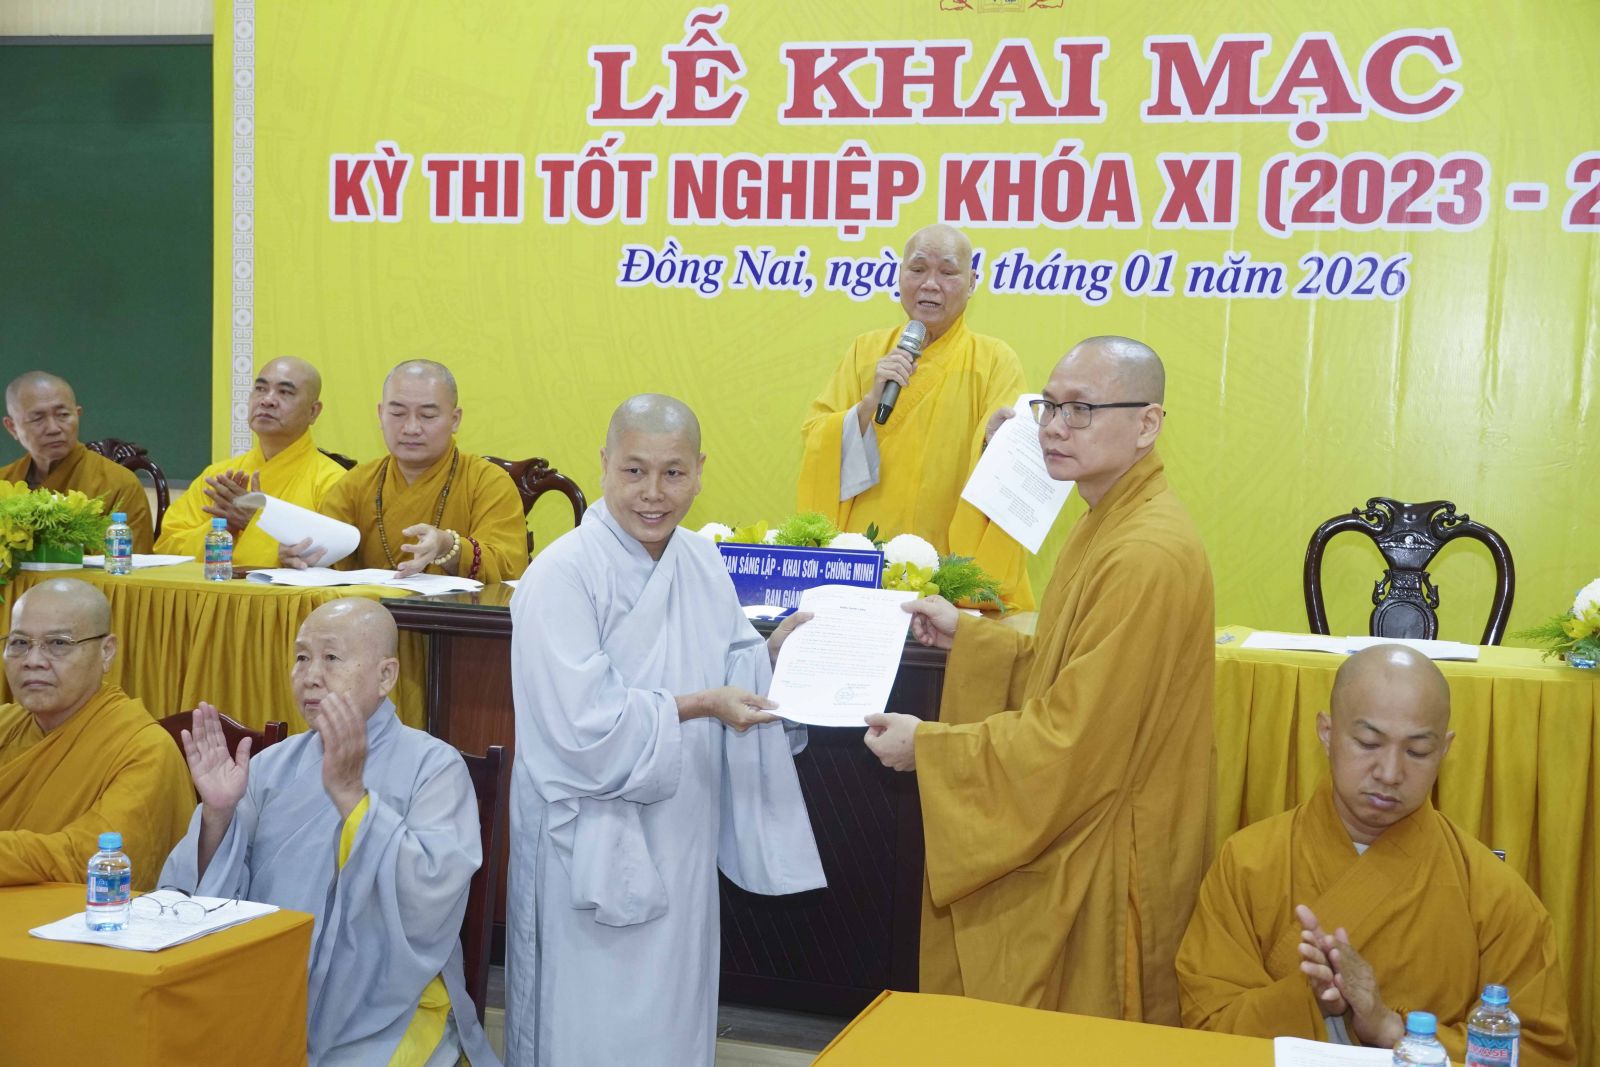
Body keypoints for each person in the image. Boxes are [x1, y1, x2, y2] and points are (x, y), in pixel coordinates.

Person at [862, 336, 1213, 1023]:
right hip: (1096, 816)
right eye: (1049, 406)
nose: (1054, 426)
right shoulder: (1107, 521)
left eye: (1081, 409)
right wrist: (973, 640)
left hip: (1111, 849)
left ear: (1147, 423)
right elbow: (1072, 671)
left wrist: (930, 748)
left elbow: (1075, 738)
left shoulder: (1146, 552)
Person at [504, 394, 824, 1066]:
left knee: (673, 1006)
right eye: (635, 471)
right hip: (584, 832)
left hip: (681, 825)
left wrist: (774, 658)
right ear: (603, 464)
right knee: (588, 1018)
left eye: (673, 473)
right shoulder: (560, 574)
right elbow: (581, 728)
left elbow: (733, 664)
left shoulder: (701, 560)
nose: (653, 493)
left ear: (700, 471)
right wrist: (705, 704)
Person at [1176, 645, 1576, 1063]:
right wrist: (1310, 999)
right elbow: (1205, 1025)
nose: (1389, 773)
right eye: (1368, 743)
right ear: (1327, 733)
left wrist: (1389, 1028)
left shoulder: (1494, 894)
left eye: (1417, 751)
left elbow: (1541, 1052)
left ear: (1444, 750)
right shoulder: (1248, 862)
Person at [160, 597, 498, 1067]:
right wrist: (218, 814)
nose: (311, 675)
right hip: (270, 992)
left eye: (332, 657)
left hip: (387, 1007)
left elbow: (430, 895)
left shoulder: (434, 766)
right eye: (302, 657)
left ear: (386, 676)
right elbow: (199, 901)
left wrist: (353, 798)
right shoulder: (270, 766)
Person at [797, 223, 1034, 609]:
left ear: (972, 282)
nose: (930, 284)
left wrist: (995, 444)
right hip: (865, 567)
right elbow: (816, 436)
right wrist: (867, 405)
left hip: (947, 575)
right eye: (918, 269)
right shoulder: (865, 351)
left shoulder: (994, 361)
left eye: (948, 271)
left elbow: (1009, 461)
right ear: (900, 275)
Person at [0, 579, 190, 889]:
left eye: (58, 643)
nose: (33, 661)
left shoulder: (142, 748)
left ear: (106, 652)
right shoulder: (5, 725)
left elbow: (94, 860)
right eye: (19, 643)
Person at [280, 360, 526, 582]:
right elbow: (326, 557)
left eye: (427, 415)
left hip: (455, 617)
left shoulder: (488, 482)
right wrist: (300, 556)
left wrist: (449, 547)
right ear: (380, 414)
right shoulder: (356, 484)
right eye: (397, 413)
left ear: (455, 420)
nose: (411, 428)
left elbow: (508, 567)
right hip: (367, 613)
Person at [155, 356, 346, 566]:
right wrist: (222, 528)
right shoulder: (218, 478)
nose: (267, 400)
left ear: (313, 411)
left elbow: (337, 562)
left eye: (284, 392)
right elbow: (167, 549)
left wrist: (253, 523)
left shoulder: (333, 482)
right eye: (261, 389)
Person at [2, 371, 154, 551]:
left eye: (63, 415)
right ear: (12, 428)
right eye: (37, 418)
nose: (53, 428)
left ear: (78, 414)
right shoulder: (4, 482)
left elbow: (131, 562)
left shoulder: (120, 484)